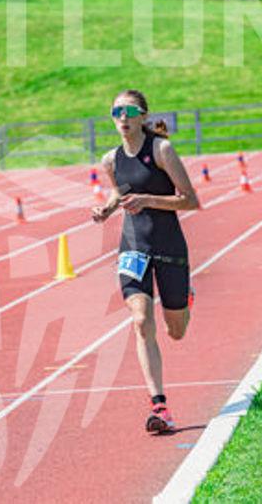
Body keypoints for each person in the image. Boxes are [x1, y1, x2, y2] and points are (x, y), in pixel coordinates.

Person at [91, 89, 199, 433]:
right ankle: (160, 406)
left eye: (130, 111)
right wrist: (108, 208)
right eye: (116, 112)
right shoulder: (110, 160)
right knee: (140, 320)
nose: (123, 117)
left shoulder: (161, 150)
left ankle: (184, 299)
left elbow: (190, 200)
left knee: (176, 331)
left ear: (143, 116)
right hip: (133, 246)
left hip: (168, 245)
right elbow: (121, 190)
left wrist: (149, 200)